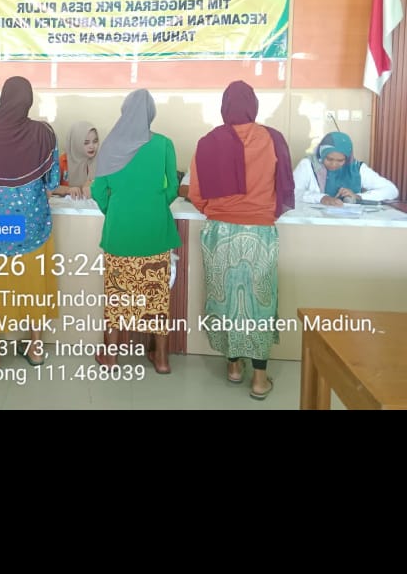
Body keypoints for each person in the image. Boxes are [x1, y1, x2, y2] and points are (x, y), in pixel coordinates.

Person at [189, 80, 295, 401]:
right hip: (260, 233)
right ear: (253, 106)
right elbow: (284, 186)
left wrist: (220, 211)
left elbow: (197, 194)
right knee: (260, 303)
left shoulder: (208, 142)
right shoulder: (273, 138)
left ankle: (234, 367)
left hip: (220, 233)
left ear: (224, 107)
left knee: (224, 299)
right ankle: (259, 380)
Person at [0, 76, 60, 371]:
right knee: (34, 285)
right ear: (28, 101)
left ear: (2, 99)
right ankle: (35, 349)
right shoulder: (44, 133)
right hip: (34, 228)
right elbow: (53, 182)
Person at [90, 89, 180, 374]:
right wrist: (154, 206)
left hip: (120, 234)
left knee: (116, 297)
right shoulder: (164, 144)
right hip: (156, 233)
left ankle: (111, 357)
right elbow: (173, 188)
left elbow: (98, 190)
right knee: (158, 299)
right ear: (151, 113)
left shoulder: (110, 145)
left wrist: (116, 211)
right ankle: (162, 359)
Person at [293, 131, 399, 206]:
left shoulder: (356, 168)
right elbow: (292, 193)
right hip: (313, 223)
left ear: (347, 158)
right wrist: (320, 198)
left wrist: (358, 197)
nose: (334, 164)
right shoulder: (308, 165)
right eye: (329, 159)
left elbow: (391, 190)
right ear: (322, 153)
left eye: (340, 160)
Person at [51, 121, 100, 199]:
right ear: (75, 143)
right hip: (67, 205)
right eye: (86, 143)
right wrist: (67, 190)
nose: (92, 146)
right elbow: (50, 187)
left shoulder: (100, 161)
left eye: (95, 141)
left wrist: (93, 183)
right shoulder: (63, 161)